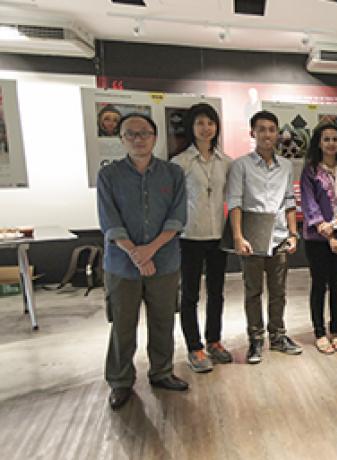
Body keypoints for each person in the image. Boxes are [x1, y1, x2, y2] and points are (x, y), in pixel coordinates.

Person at [97, 113, 188, 410]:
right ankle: (120, 381)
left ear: (155, 137)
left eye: (144, 133)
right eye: (131, 134)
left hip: (164, 262)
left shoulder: (172, 174)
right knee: (123, 324)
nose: (138, 139)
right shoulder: (108, 175)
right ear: (122, 139)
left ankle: (161, 372)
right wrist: (136, 253)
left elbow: (177, 218)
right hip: (122, 266)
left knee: (163, 321)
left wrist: (150, 250)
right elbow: (109, 220)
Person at [227, 110, 302, 364]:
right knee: (253, 291)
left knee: (278, 291)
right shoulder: (240, 165)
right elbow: (235, 202)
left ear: (278, 133)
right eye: (262, 129)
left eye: (272, 129)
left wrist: (293, 234)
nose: (267, 134)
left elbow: (289, 201)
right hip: (252, 236)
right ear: (253, 133)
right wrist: (238, 236)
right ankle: (256, 340)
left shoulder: (286, 166)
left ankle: (278, 336)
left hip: (279, 235)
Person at [171, 103, 233, 372]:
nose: (205, 128)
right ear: (191, 128)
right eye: (200, 123)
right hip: (189, 236)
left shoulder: (226, 163)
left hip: (218, 235)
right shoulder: (180, 163)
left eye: (210, 122)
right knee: (190, 294)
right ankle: (194, 347)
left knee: (217, 292)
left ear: (217, 126)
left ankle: (214, 341)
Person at [300, 123, 337, 354]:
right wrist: (325, 228)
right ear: (319, 142)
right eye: (326, 139)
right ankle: (319, 332)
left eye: (335, 139)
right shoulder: (310, 170)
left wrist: (336, 225)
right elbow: (308, 203)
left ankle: (335, 330)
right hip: (316, 237)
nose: (331, 143)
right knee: (319, 284)